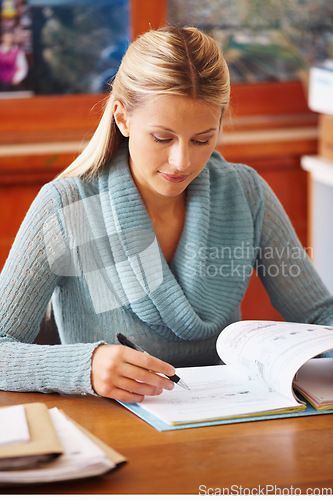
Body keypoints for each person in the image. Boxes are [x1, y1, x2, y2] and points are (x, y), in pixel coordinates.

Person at [1, 26, 333, 403]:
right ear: (122, 119)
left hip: (228, 422)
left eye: (202, 139)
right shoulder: (65, 206)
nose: (182, 162)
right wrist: (85, 366)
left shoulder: (245, 192)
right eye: (162, 138)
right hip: (115, 431)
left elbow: (322, 315)